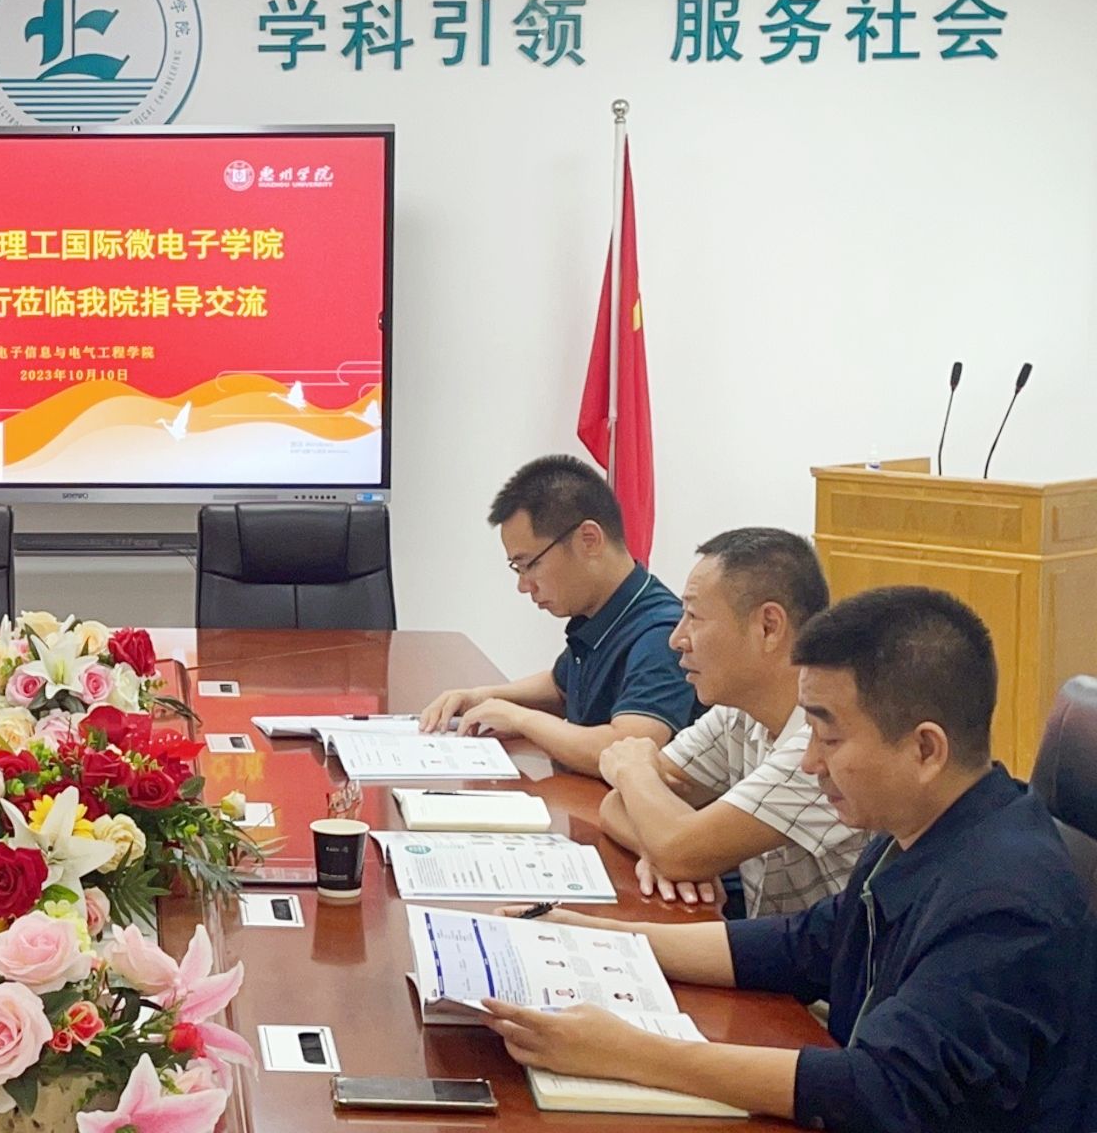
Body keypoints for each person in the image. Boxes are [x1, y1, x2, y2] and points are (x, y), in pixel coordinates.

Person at [478, 587, 1094, 1132]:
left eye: (830, 737)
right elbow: (806, 945)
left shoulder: (1005, 901)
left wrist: (628, 1053)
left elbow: (881, 1088)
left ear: (926, 749)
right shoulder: (919, 831)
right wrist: (590, 934)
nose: (809, 762)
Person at [597, 528, 867, 914]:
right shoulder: (738, 713)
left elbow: (675, 843)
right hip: (765, 940)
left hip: (823, 953)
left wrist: (633, 768)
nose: (677, 639)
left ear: (768, 627)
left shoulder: (821, 743)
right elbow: (617, 806)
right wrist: (662, 848)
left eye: (693, 616)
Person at [419, 454, 697, 773]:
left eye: (530, 565)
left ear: (589, 540)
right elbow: (562, 688)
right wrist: (483, 697)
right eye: (517, 569)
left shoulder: (662, 635)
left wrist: (519, 718)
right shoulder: (601, 613)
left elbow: (624, 749)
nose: (524, 586)